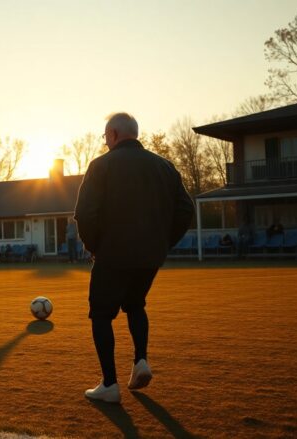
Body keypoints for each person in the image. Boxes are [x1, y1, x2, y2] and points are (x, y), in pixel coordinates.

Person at [75, 112, 194, 404]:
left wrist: (94, 247)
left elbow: (85, 213)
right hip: (150, 256)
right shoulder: (165, 167)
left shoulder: (101, 166)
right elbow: (186, 211)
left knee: (102, 314)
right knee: (136, 304)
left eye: (105, 137)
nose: (105, 142)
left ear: (114, 134)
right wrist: (163, 243)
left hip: (112, 254)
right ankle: (140, 360)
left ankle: (109, 384)